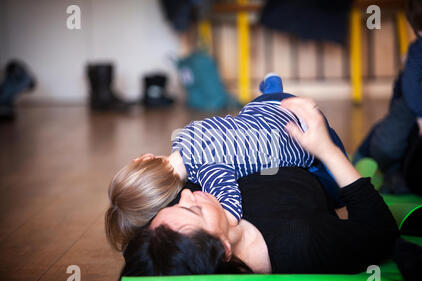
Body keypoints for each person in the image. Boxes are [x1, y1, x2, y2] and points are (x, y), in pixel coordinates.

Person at [118, 97, 400, 277]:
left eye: (177, 204)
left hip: (258, 122)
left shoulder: (173, 238)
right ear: (225, 249)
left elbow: (136, 245)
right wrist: (326, 149)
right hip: (303, 147)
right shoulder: (302, 245)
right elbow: (381, 233)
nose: (188, 195)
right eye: (194, 211)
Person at [105, 74, 347, 252]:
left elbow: (231, 203)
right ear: (146, 158)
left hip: (298, 133)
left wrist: (227, 223)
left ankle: (344, 172)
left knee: (332, 184)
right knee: (246, 118)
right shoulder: (184, 134)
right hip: (267, 107)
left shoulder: (209, 172)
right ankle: (272, 86)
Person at [352, 0, 422, 194]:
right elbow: (412, 84)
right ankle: (388, 168)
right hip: (414, 99)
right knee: (390, 141)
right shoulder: (421, 50)